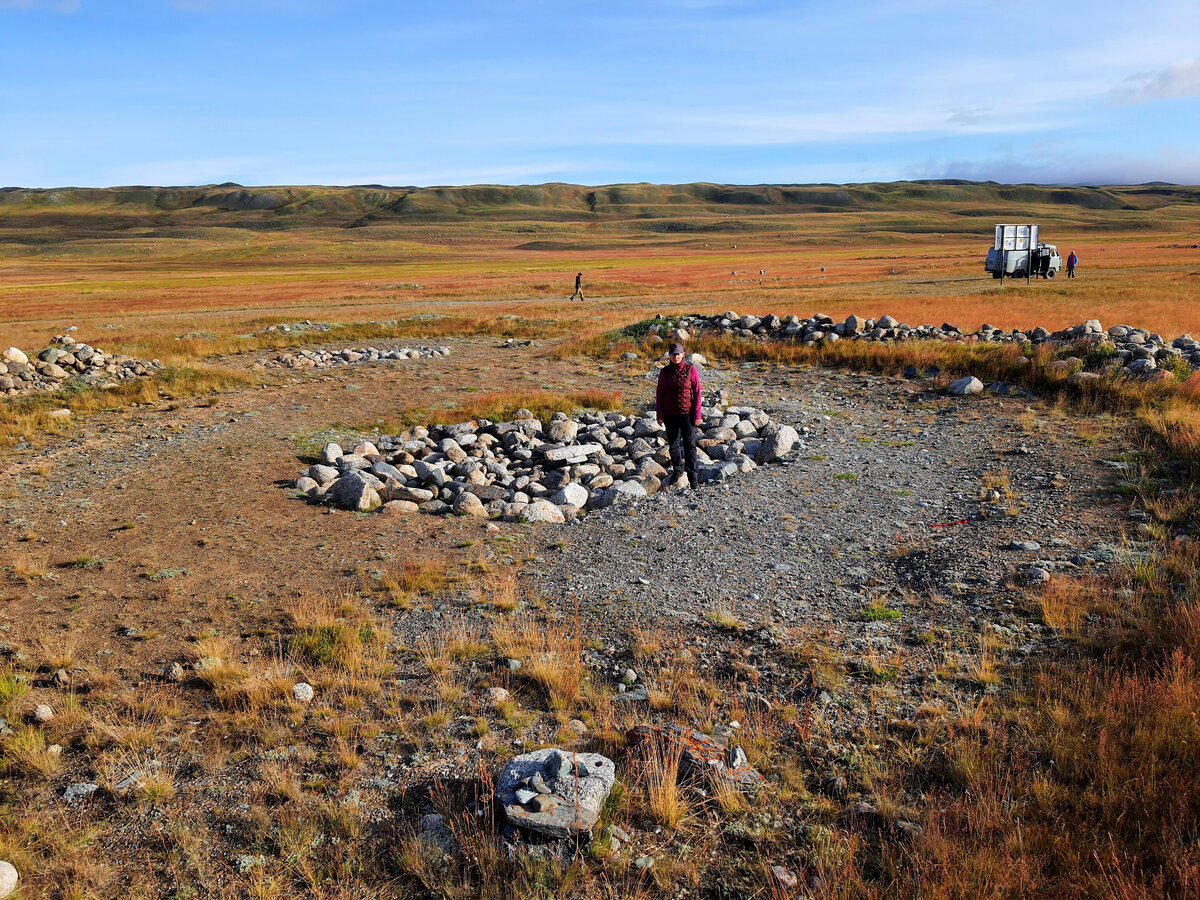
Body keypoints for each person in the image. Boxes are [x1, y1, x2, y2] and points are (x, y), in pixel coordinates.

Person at [656, 342, 702, 490]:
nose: (676, 357)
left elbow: (697, 392)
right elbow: (659, 394)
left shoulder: (691, 370)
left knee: (690, 445)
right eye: (673, 354)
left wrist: (697, 414)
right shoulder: (664, 372)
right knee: (674, 445)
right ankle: (678, 470)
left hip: (687, 414)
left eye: (678, 354)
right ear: (669, 356)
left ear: (683, 354)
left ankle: (693, 476)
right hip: (670, 414)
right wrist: (660, 414)